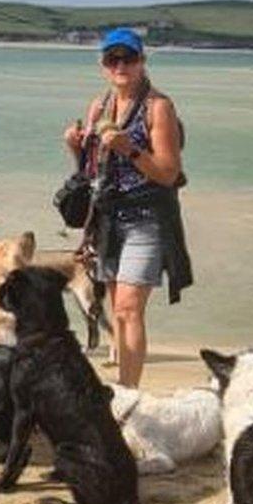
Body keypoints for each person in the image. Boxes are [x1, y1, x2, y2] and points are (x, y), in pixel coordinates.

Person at [63, 27, 192, 388]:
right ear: (103, 65)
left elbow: (168, 173)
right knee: (117, 311)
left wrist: (130, 149)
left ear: (141, 62)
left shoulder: (158, 107)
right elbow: (91, 170)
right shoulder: (99, 106)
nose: (121, 65)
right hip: (107, 220)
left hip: (147, 218)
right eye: (112, 59)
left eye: (128, 58)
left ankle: (129, 394)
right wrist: (75, 146)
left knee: (129, 309)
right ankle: (121, 389)